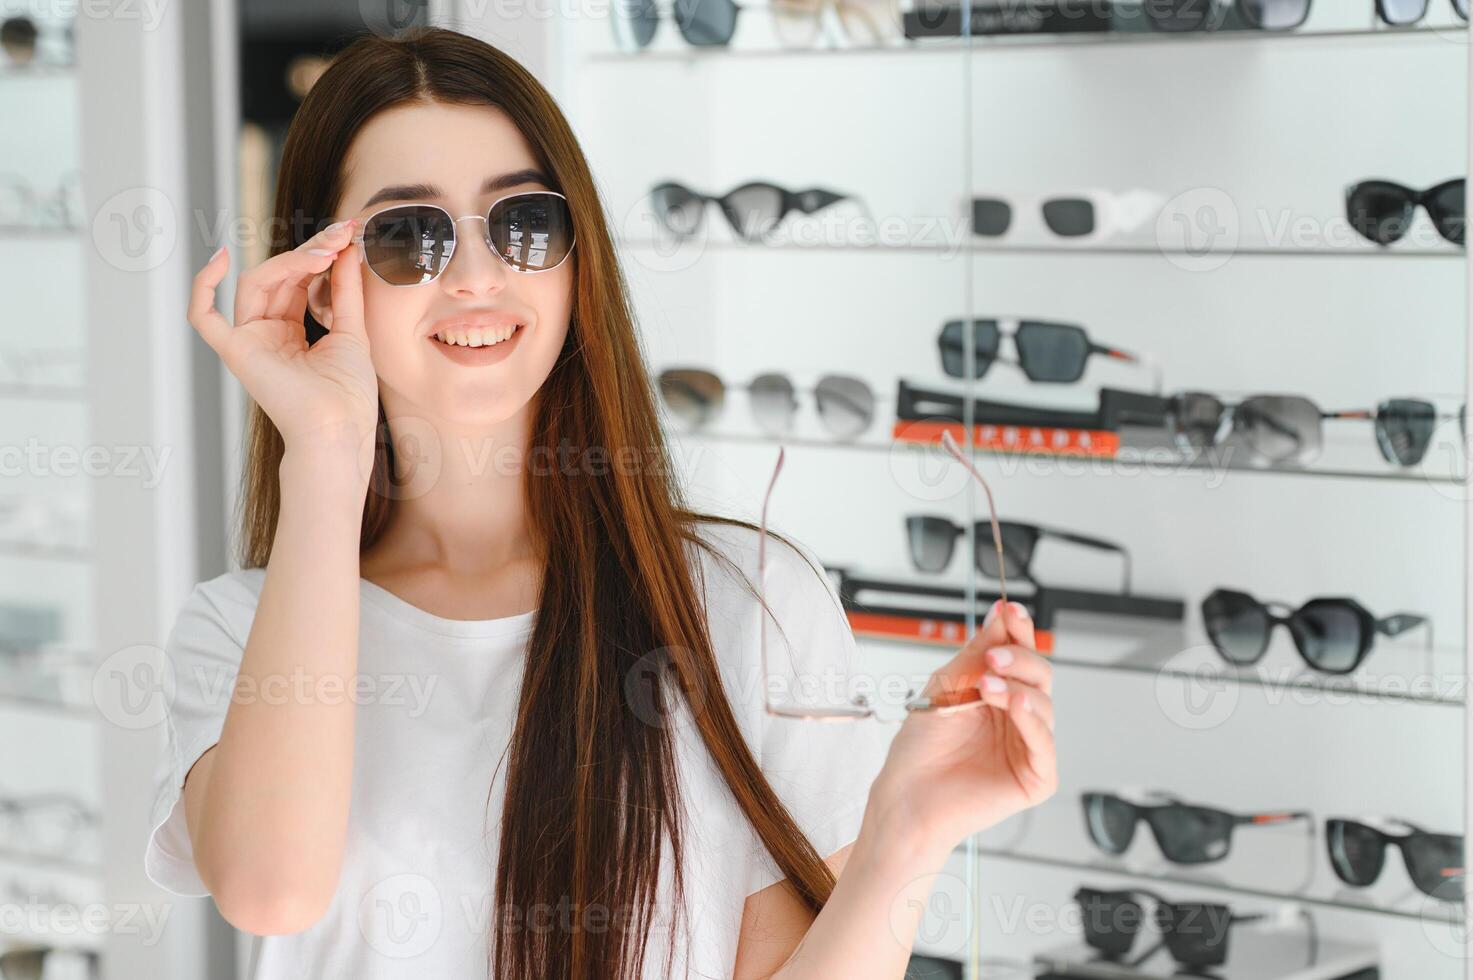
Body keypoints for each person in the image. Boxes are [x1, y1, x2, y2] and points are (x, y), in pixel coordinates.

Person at [144, 25, 1055, 980]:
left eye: (522, 223)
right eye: (407, 234)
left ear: (577, 259)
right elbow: (268, 891)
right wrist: (323, 456)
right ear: (323, 287)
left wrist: (908, 832)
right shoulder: (239, 631)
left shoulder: (744, 601)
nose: (475, 276)